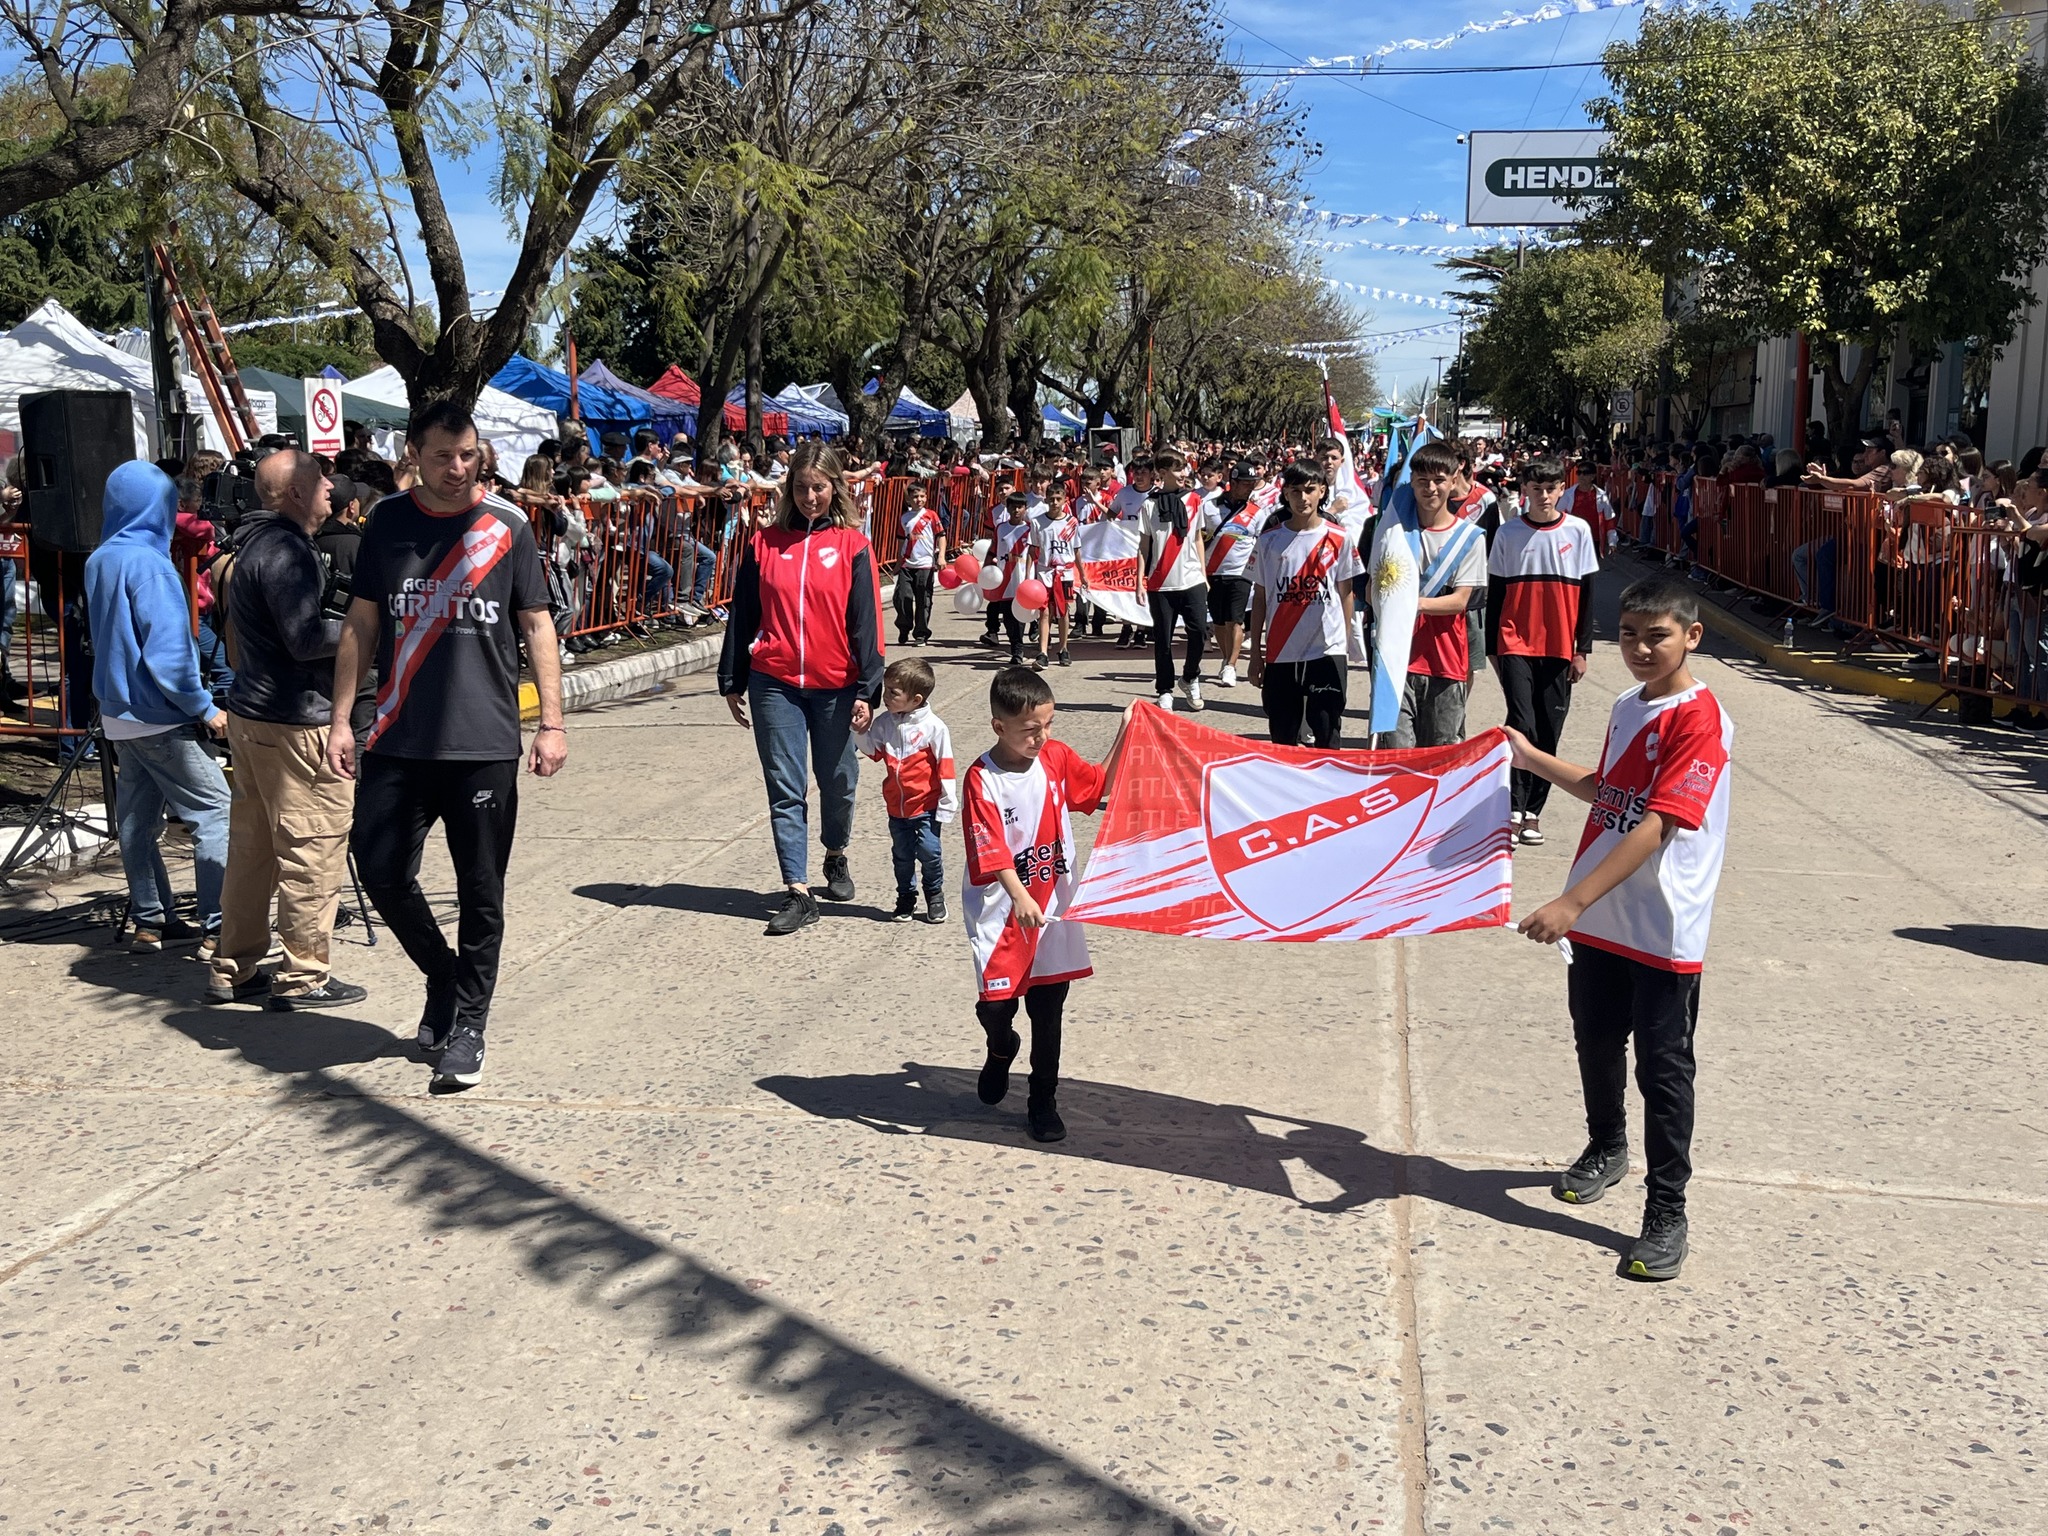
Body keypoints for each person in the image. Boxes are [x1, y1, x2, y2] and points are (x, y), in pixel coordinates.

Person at [327, 402, 568, 1092]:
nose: (459, 468)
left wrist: (552, 723)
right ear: (414, 454)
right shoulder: (387, 522)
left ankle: (470, 1026)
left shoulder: (508, 525)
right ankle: (444, 976)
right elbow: (361, 624)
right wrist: (342, 720)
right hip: (399, 736)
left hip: (482, 742)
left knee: (480, 890)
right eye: (442, 456)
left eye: (468, 455)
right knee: (379, 870)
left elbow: (537, 625)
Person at [1507, 577, 1733, 1282]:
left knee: (1663, 1070)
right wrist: (1530, 757)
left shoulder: (1700, 719)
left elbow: (1659, 824)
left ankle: (1667, 1211)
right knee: (1597, 1040)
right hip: (1603, 918)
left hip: (1662, 926)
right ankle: (1606, 1146)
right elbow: (1610, 793)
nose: (1640, 648)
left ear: (1691, 637)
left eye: (1656, 636)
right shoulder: (1627, 705)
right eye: (1629, 634)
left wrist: (1571, 902)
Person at [208, 448, 367, 1010]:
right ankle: (302, 977)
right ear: (296, 492)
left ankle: (233, 967)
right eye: (321, 479)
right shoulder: (285, 550)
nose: (331, 487)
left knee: (253, 851)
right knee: (312, 848)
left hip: (255, 716)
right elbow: (304, 639)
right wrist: (366, 631)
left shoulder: (254, 541)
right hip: (295, 724)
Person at [718, 441, 885, 937]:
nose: (810, 497)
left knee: (839, 781)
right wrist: (732, 678)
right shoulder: (764, 544)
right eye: (801, 488)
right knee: (785, 787)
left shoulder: (853, 545)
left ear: (835, 488)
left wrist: (867, 689)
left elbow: (868, 624)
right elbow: (743, 613)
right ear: (788, 490)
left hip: (837, 685)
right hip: (775, 683)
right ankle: (797, 890)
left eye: (819, 487)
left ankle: (836, 853)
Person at [963, 667, 1129, 1143]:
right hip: (1003, 912)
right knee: (997, 1007)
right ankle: (1000, 1048)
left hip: (1053, 909)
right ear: (999, 726)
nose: (1042, 737)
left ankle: (1042, 1101)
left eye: (1048, 725)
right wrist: (1018, 896)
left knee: (1048, 1009)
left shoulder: (1054, 757)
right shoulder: (982, 778)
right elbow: (990, 848)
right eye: (1030, 729)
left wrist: (1125, 731)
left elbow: (1098, 785)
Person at [83, 462, 233, 955]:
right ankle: (220, 927)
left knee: (137, 822)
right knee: (217, 813)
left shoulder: (100, 557)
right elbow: (168, 651)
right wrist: (204, 707)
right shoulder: (150, 564)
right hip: (160, 711)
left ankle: (151, 920)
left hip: (119, 711)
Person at [1487, 457, 1600, 848]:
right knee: (1522, 724)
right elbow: (1496, 594)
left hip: (1559, 646)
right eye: (1537, 488)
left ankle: (1533, 811)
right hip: (1515, 642)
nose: (1544, 496)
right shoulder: (1508, 533)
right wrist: (1493, 650)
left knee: (1549, 730)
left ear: (1561, 489)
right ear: (1525, 490)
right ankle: (1513, 809)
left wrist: (1582, 649)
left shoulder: (1578, 530)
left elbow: (1588, 595)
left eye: (1551, 488)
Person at [1369, 439, 1487, 748]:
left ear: (1454, 480)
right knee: (1397, 756)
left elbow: (1460, 601)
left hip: (1445, 663)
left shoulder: (1470, 537)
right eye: (1422, 480)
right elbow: (1372, 589)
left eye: (1439, 480)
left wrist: (1409, 603)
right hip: (1397, 661)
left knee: (1441, 758)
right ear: (1412, 482)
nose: (1431, 488)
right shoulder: (1393, 533)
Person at [1246, 462, 1361, 748]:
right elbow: (1260, 598)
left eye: (1310, 490)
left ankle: (1329, 777)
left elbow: (1346, 594)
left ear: (1322, 491)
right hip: (1282, 652)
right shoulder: (1269, 541)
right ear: (1285, 493)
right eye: (1295, 491)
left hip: (1327, 652)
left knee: (1327, 733)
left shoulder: (1340, 538)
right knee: (1283, 738)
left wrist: (1344, 644)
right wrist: (1256, 654)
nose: (1303, 498)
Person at [854, 656, 956, 923]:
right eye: (885, 689)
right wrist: (859, 731)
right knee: (902, 856)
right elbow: (873, 751)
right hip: (896, 808)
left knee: (930, 853)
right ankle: (906, 897)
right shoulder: (884, 723)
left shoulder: (934, 728)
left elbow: (946, 767)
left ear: (916, 699)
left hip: (926, 807)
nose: (885, 697)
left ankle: (934, 895)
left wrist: (947, 804)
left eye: (893, 692)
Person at [1137, 448, 1209, 711]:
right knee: (1163, 640)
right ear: (1163, 473)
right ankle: (1165, 689)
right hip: (1160, 583)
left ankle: (1190, 677)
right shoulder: (1149, 505)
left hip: (1192, 578)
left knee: (1199, 632)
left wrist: (1203, 574)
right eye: (1178, 469)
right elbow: (1144, 546)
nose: (1183, 474)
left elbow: (1198, 538)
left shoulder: (1194, 500)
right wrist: (1139, 580)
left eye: (1184, 468)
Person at [1202, 462, 1264, 689]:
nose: (1249, 488)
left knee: (1235, 620)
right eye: (1245, 484)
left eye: (1252, 484)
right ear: (1233, 483)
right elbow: (1198, 537)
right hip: (1213, 571)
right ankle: (1226, 657)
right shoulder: (1209, 507)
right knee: (1219, 621)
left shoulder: (1257, 513)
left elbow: (1262, 543)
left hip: (1240, 573)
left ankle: (1231, 665)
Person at [1029, 483, 1081, 668]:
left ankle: (1063, 648)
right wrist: (1029, 575)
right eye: (1051, 499)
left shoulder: (1071, 522)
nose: (1055, 502)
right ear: (1046, 499)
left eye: (1059, 499)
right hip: (1045, 572)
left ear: (1065, 500)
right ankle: (1043, 651)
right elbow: (1033, 549)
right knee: (1044, 611)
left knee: (1063, 611)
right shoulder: (1037, 522)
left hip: (1064, 573)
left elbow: (1076, 550)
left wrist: (1082, 574)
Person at [895, 479, 947, 646]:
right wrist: (898, 561)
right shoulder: (904, 517)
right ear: (909, 499)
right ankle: (904, 627)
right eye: (915, 497)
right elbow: (901, 540)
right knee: (902, 597)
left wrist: (941, 556)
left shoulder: (931, 515)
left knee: (923, 600)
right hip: (907, 564)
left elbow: (941, 536)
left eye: (922, 496)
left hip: (925, 565)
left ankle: (921, 633)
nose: (919, 500)